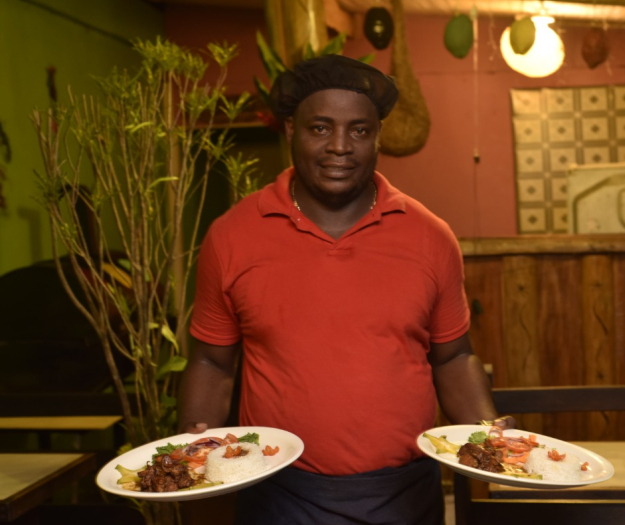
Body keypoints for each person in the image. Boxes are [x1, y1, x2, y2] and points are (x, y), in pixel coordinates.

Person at [178, 54, 512, 525]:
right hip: (276, 491)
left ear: (377, 137)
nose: (339, 146)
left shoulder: (430, 237)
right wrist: (194, 451)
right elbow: (212, 363)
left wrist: (489, 434)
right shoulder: (232, 235)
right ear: (291, 130)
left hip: (404, 493)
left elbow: (454, 357)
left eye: (359, 130)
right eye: (320, 128)